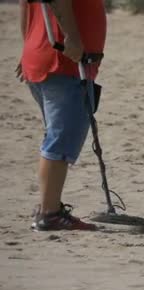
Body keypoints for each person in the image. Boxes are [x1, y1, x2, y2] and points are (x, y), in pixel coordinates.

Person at [16, 0, 107, 231]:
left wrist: (28, 45)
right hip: (63, 62)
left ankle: (50, 206)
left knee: (56, 135)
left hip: (42, 56)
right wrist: (72, 37)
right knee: (60, 138)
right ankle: (50, 213)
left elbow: (25, 7)